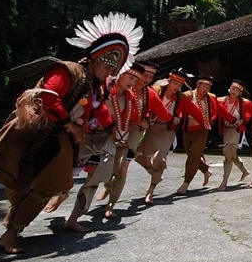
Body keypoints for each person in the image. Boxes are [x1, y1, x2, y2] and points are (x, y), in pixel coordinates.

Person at [0, 12, 142, 253]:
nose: (109, 70)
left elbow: (100, 113)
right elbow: (47, 96)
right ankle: (11, 231)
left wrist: (114, 131)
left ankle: (12, 228)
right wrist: (71, 125)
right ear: (94, 57)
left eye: (114, 67)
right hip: (37, 134)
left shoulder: (94, 87)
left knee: (51, 184)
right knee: (24, 181)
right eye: (107, 63)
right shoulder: (68, 71)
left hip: (58, 140)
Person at [61, 63, 142, 231]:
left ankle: (74, 217)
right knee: (62, 173)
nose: (132, 82)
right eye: (130, 77)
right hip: (82, 134)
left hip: (107, 139)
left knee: (95, 178)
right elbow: (92, 107)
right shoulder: (101, 88)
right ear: (120, 73)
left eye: (136, 79)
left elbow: (133, 117)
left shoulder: (129, 97)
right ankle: (59, 195)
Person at [93, 60, 174, 209]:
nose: (147, 79)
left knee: (123, 166)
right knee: (108, 163)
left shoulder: (149, 93)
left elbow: (163, 112)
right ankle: (108, 186)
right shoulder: (121, 88)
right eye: (145, 75)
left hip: (133, 131)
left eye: (151, 76)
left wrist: (168, 120)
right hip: (112, 128)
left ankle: (111, 204)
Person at [135, 69, 204, 203]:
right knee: (139, 155)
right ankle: (155, 175)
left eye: (180, 86)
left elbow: (195, 112)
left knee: (160, 159)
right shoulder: (156, 90)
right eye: (175, 84)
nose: (177, 88)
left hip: (168, 130)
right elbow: (143, 106)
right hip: (152, 128)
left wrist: (205, 123)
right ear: (169, 81)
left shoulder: (182, 98)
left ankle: (151, 190)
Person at [177, 75, 236, 195]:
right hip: (188, 129)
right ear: (198, 85)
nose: (206, 88)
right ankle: (206, 170)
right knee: (191, 154)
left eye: (209, 86)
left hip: (202, 130)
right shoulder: (187, 95)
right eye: (204, 85)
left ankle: (186, 183)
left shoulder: (211, 98)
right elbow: (178, 108)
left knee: (193, 156)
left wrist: (234, 120)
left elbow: (221, 110)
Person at [216, 79, 252, 191]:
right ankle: (244, 171)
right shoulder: (220, 100)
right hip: (226, 130)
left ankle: (224, 181)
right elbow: (215, 112)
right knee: (232, 155)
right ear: (229, 88)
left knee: (228, 151)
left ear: (240, 92)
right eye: (233, 88)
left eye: (237, 90)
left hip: (236, 130)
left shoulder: (245, 103)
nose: (234, 91)